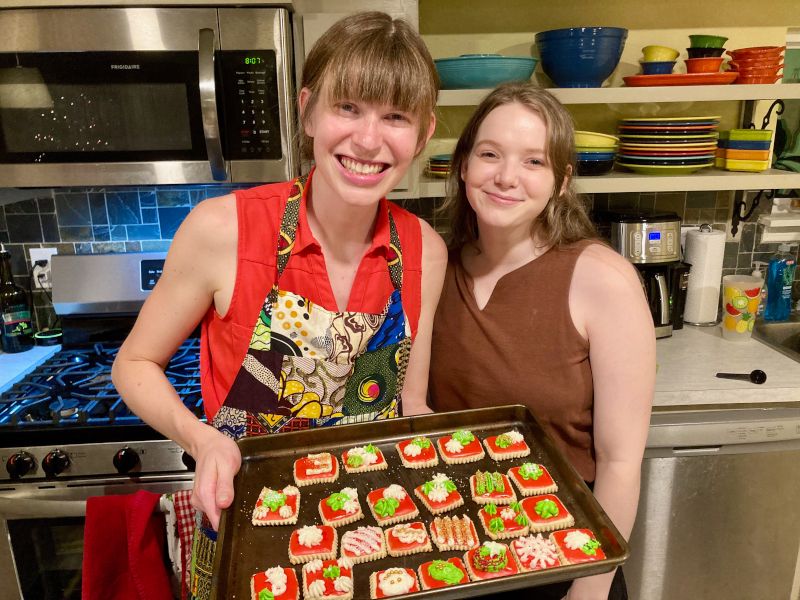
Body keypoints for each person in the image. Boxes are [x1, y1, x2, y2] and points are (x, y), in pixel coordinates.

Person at [112, 11, 446, 598]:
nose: (369, 140)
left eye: (395, 116)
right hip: (248, 531)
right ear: (309, 108)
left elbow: (409, 403)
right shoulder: (225, 229)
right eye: (348, 107)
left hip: (371, 535)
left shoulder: (424, 248)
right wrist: (203, 440)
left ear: (422, 134)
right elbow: (133, 365)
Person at [428, 82, 655, 600]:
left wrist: (589, 589)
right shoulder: (435, 268)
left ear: (561, 181)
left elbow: (620, 462)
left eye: (534, 161)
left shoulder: (601, 279)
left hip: (562, 559)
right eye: (490, 154)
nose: (506, 177)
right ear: (463, 165)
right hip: (456, 551)